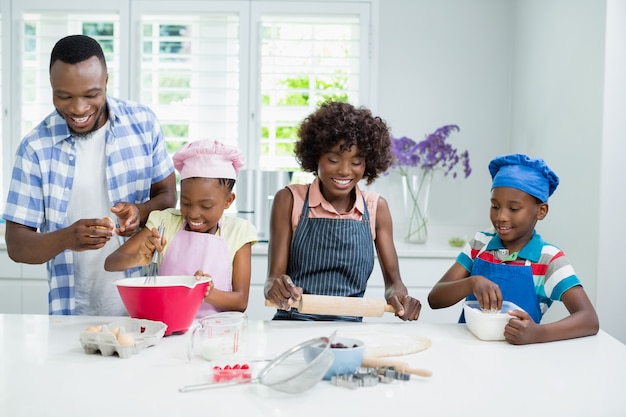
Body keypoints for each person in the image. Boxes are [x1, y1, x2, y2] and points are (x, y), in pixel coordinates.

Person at [2, 34, 177, 316]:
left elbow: (168, 197)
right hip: (72, 313)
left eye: (91, 94)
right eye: (64, 96)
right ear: (51, 88)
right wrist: (67, 238)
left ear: (106, 81)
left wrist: (140, 210)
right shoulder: (35, 148)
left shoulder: (143, 123)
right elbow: (17, 245)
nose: (78, 108)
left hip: (145, 308)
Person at [264, 100, 422, 322]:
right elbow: (272, 279)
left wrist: (401, 298)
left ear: (368, 163)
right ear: (315, 156)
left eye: (356, 162)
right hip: (292, 325)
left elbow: (394, 284)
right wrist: (277, 287)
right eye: (333, 159)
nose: (345, 171)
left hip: (350, 332)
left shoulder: (376, 208)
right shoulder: (290, 200)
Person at [428, 153, 599, 344]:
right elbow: (435, 299)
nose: (501, 216)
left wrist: (539, 333)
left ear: (541, 211)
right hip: (468, 351)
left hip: (520, 360)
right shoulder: (480, 244)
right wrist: (471, 283)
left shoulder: (549, 259)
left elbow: (589, 319)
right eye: (495, 206)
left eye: (514, 209)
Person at [105, 140, 258, 317]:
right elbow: (111, 262)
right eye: (185, 203)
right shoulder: (165, 222)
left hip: (217, 333)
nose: (193, 214)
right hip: (166, 326)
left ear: (228, 201)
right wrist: (139, 258)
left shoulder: (239, 231)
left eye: (206, 206)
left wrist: (207, 292)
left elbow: (241, 302)